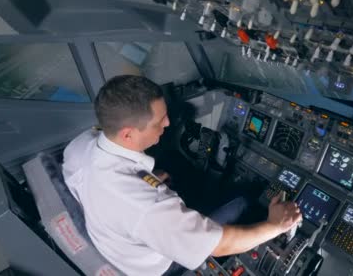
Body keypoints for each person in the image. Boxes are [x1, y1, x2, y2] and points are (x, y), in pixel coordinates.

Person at [63, 75, 302, 276]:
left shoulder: (79, 146)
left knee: (178, 170)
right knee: (242, 199)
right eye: (159, 121)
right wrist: (275, 224)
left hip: (116, 240)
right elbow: (221, 245)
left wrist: (146, 178)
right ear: (128, 135)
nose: (167, 123)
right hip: (153, 266)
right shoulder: (147, 207)